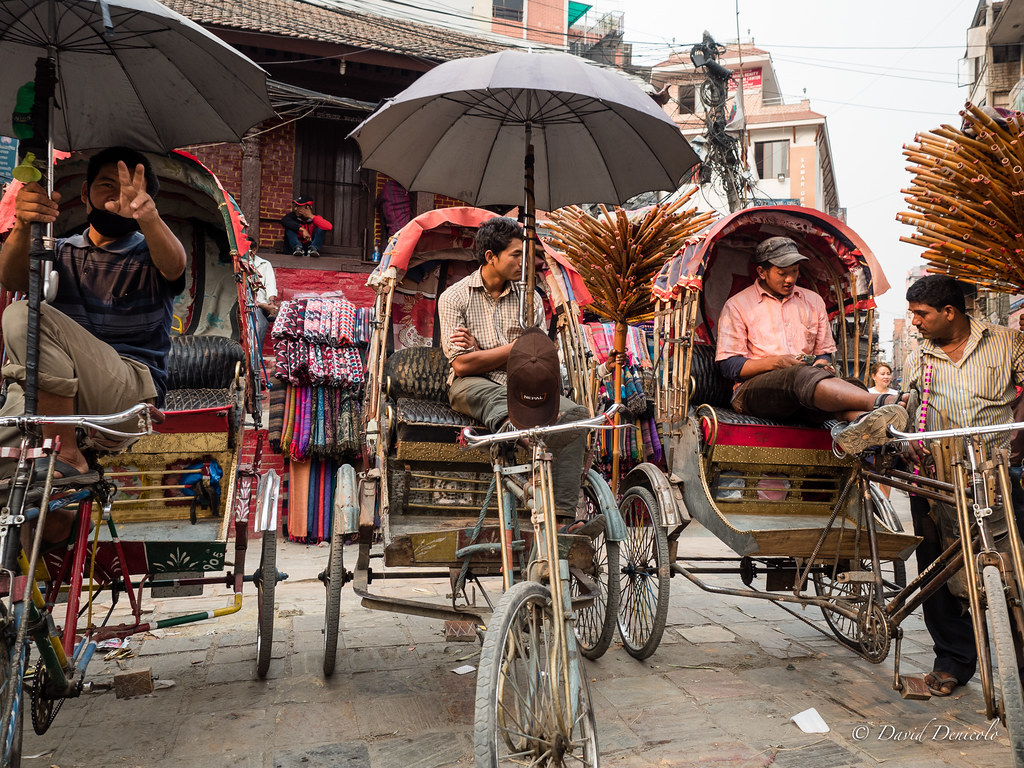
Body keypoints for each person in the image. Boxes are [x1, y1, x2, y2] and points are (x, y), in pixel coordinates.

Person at [0, 146, 187, 539]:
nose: (117, 196)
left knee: (21, 315)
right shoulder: (59, 250)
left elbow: (175, 265)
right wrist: (23, 224)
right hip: (52, 392)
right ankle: (55, 531)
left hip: (126, 392)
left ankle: (66, 454)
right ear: (85, 193)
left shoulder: (150, 254)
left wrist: (148, 216)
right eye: (106, 185)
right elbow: (13, 279)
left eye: (129, 190)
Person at [902, 274, 1024, 697]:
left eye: (921, 314)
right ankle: (953, 660)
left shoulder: (1008, 342)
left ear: (949, 312)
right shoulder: (918, 357)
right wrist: (908, 441)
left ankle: (1019, 662)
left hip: (998, 471)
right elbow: (910, 408)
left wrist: (1017, 442)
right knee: (938, 570)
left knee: (1013, 564)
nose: (915, 322)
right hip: (937, 476)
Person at [437, 216, 587, 520]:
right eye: (516, 255)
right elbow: (463, 364)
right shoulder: (455, 297)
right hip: (471, 384)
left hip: (523, 383)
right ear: (491, 256)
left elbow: (538, 357)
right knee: (495, 396)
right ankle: (524, 434)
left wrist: (482, 351)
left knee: (576, 416)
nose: (523, 262)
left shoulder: (529, 301)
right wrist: (517, 348)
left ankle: (563, 518)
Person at [715, 236, 908, 454]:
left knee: (850, 384)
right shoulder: (737, 305)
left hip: (803, 392)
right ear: (761, 272)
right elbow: (729, 366)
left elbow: (823, 354)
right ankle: (885, 401)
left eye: (795, 271)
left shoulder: (813, 301)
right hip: (752, 393)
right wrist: (776, 363)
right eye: (782, 273)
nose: (790, 279)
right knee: (799, 376)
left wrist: (822, 365)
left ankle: (865, 421)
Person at [251, 252, 279, 355]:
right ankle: (254, 357)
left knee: (262, 323)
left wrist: (271, 302)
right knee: (260, 324)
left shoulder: (264, 264)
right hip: (250, 304)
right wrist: (261, 305)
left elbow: (270, 284)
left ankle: (257, 356)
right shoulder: (239, 264)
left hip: (262, 304)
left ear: (253, 250)